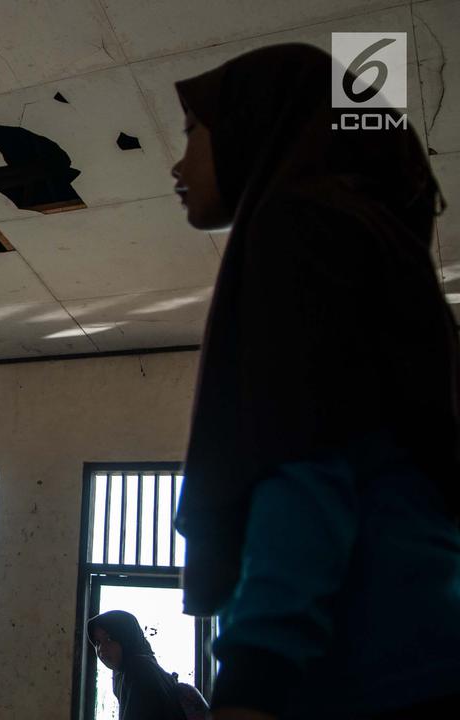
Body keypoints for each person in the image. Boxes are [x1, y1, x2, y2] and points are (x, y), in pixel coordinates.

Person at [170, 44, 460, 719]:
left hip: (358, 669)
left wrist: (253, 678)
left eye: (192, 131)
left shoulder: (296, 224)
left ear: (255, 122)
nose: (177, 162)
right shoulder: (384, 242)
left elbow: (300, 461)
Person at [86, 610, 187, 720]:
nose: (101, 649)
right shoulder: (128, 669)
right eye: (97, 642)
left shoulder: (138, 670)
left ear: (126, 638)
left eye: (109, 639)